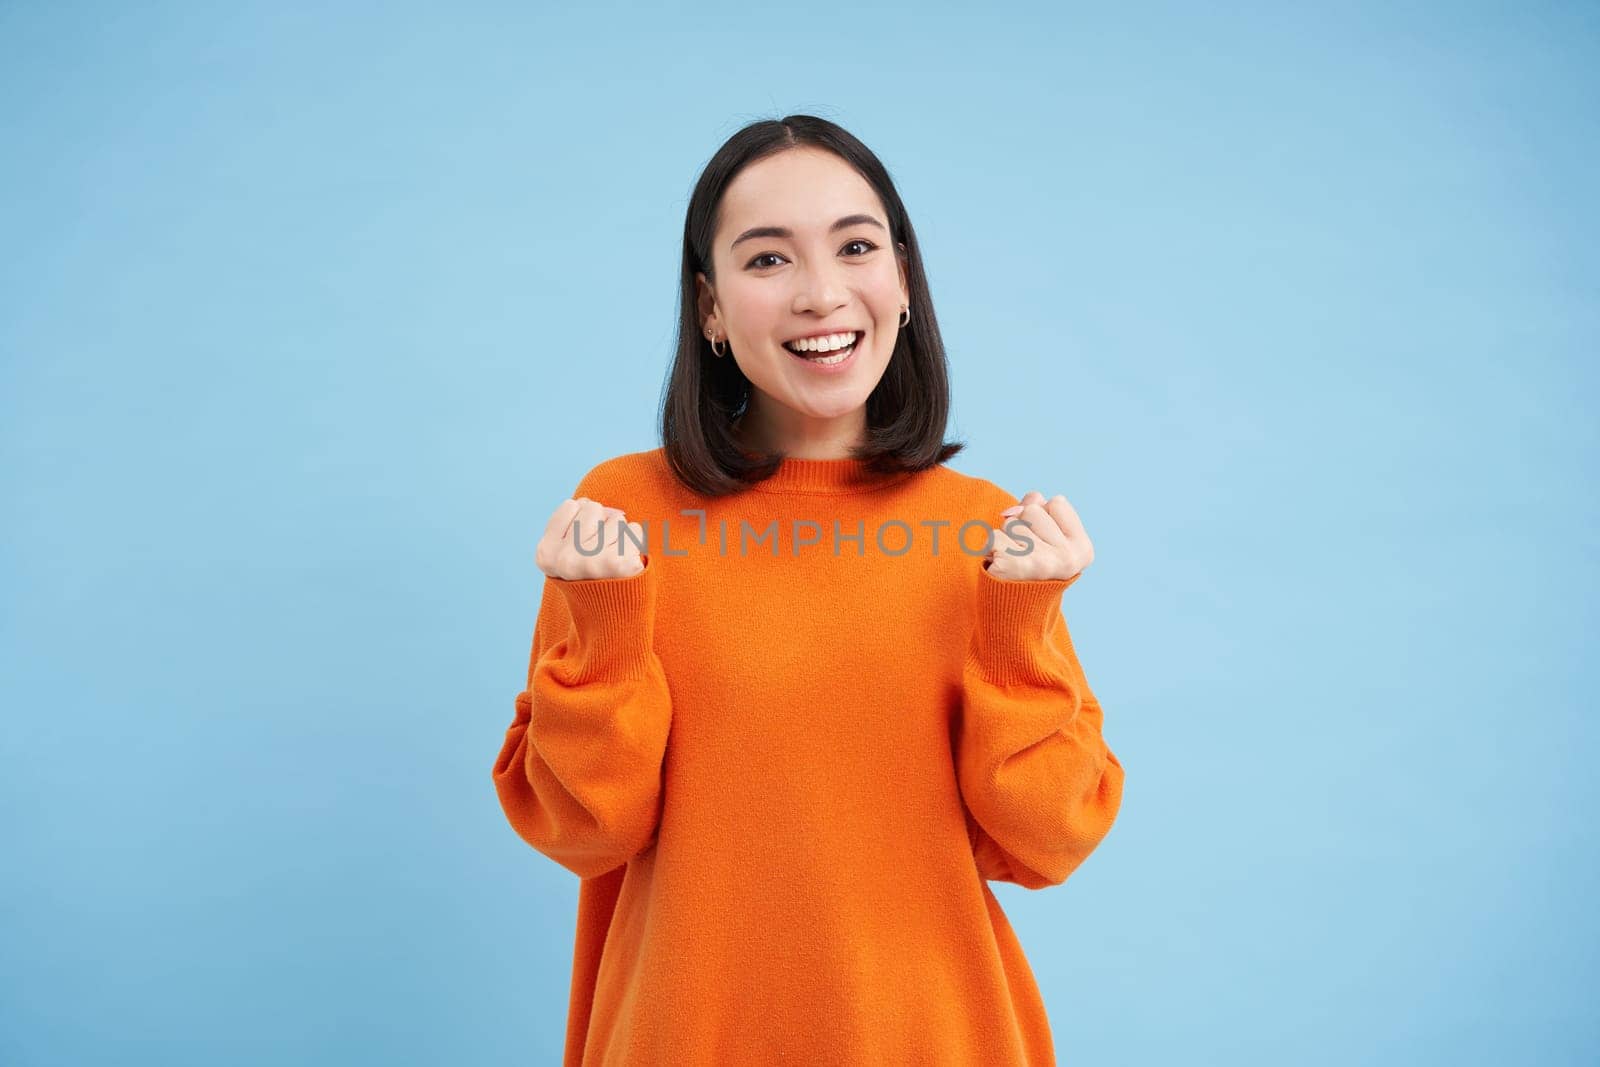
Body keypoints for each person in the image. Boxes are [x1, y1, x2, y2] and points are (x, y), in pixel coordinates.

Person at [491, 114, 1126, 1066]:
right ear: (708, 307)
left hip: (936, 1036)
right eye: (767, 260)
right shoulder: (622, 511)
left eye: (856, 246)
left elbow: (1046, 842)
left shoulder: (985, 531)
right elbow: (588, 829)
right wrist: (607, 627)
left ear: (902, 282)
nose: (822, 293)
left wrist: (1015, 628)